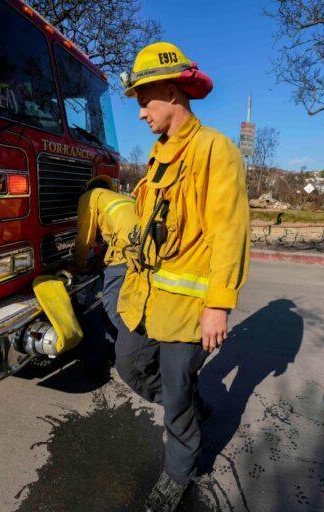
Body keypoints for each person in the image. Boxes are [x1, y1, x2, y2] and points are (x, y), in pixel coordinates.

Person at [116, 42, 250, 511]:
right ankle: (189, 407)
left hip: (190, 306)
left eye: (143, 100)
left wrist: (218, 304)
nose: (139, 113)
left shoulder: (216, 150)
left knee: (174, 391)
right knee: (129, 365)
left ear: (172, 93)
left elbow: (229, 233)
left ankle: (180, 469)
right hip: (148, 296)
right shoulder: (157, 157)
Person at [74, 175, 138, 341]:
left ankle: (129, 343)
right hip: (143, 246)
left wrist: (80, 266)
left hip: (127, 249)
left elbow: (84, 237)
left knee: (111, 302)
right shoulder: (119, 198)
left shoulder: (89, 197)